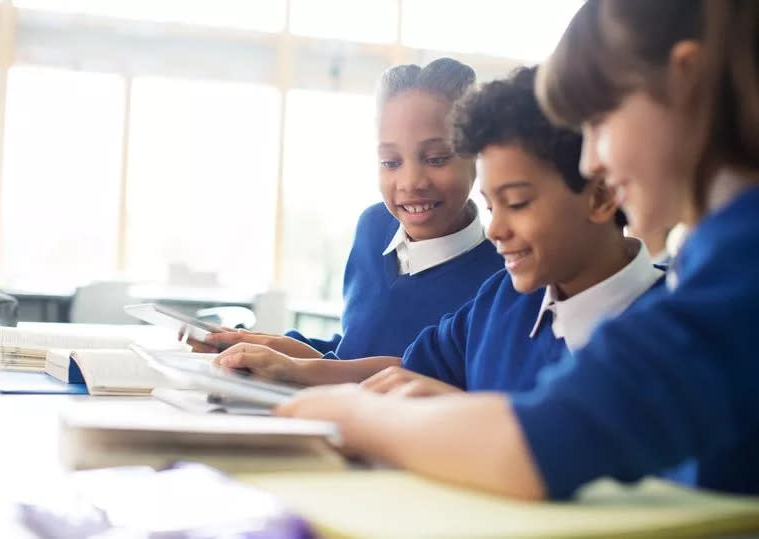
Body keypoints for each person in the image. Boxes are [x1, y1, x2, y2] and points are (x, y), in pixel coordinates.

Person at [274, 0, 759, 501]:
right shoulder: (714, 257)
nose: (592, 158)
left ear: (685, 80)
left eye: (599, 120)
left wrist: (351, 415)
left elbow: (541, 444)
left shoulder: (742, 263)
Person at [214, 67, 664, 398]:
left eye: (518, 203)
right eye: (492, 206)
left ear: (602, 196)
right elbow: (397, 371)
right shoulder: (501, 299)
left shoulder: (674, 324)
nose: (498, 230)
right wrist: (279, 360)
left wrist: (464, 413)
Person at [193, 58, 503, 364]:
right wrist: (256, 344)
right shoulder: (374, 228)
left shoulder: (499, 281)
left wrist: (294, 366)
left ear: (477, 154)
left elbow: (419, 382)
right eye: (390, 162)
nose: (410, 183)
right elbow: (353, 351)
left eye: (436, 159)